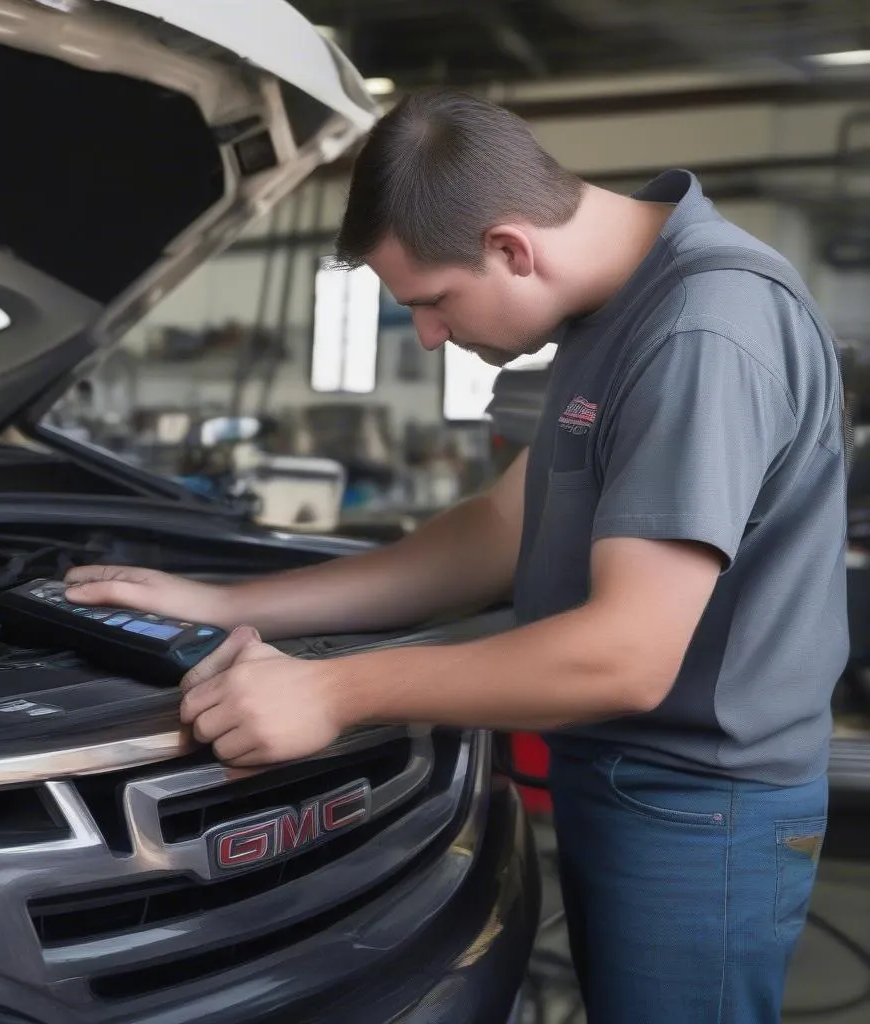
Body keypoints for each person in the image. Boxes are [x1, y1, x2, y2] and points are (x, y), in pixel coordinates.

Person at [65, 90, 849, 1023]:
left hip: (699, 807)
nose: (432, 335)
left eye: (433, 302)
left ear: (512, 247)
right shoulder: (620, 311)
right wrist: (228, 603)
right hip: (628, 780)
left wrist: (334, 693)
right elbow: (495, 533)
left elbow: (625, 657)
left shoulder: (701, 330)